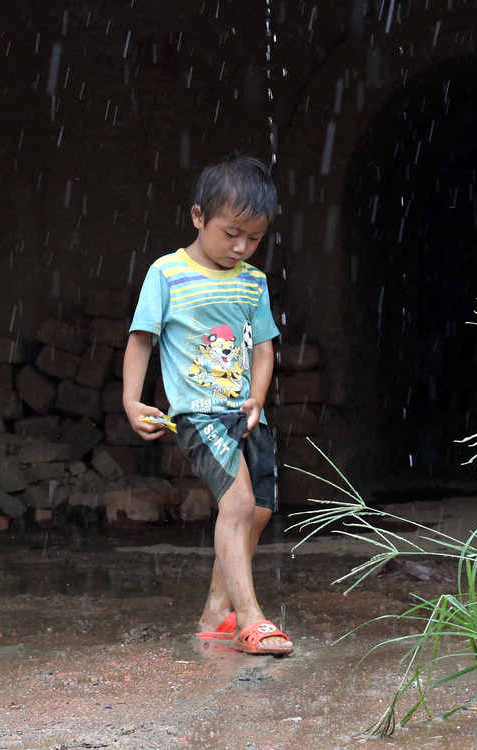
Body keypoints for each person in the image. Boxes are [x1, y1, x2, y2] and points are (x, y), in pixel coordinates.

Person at [122, 153, 293, 656]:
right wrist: (132, 400)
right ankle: (252, 619)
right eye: (231, 233)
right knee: (236, 504)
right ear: (198, 217)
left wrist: (259, 396)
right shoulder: (167, 273)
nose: (241, 247)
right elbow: (141, 339)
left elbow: (263, 345)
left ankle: (217, 612)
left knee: (259, 509)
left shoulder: (252, 281)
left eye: (255, 238)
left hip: (244, 411)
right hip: (198, 413)